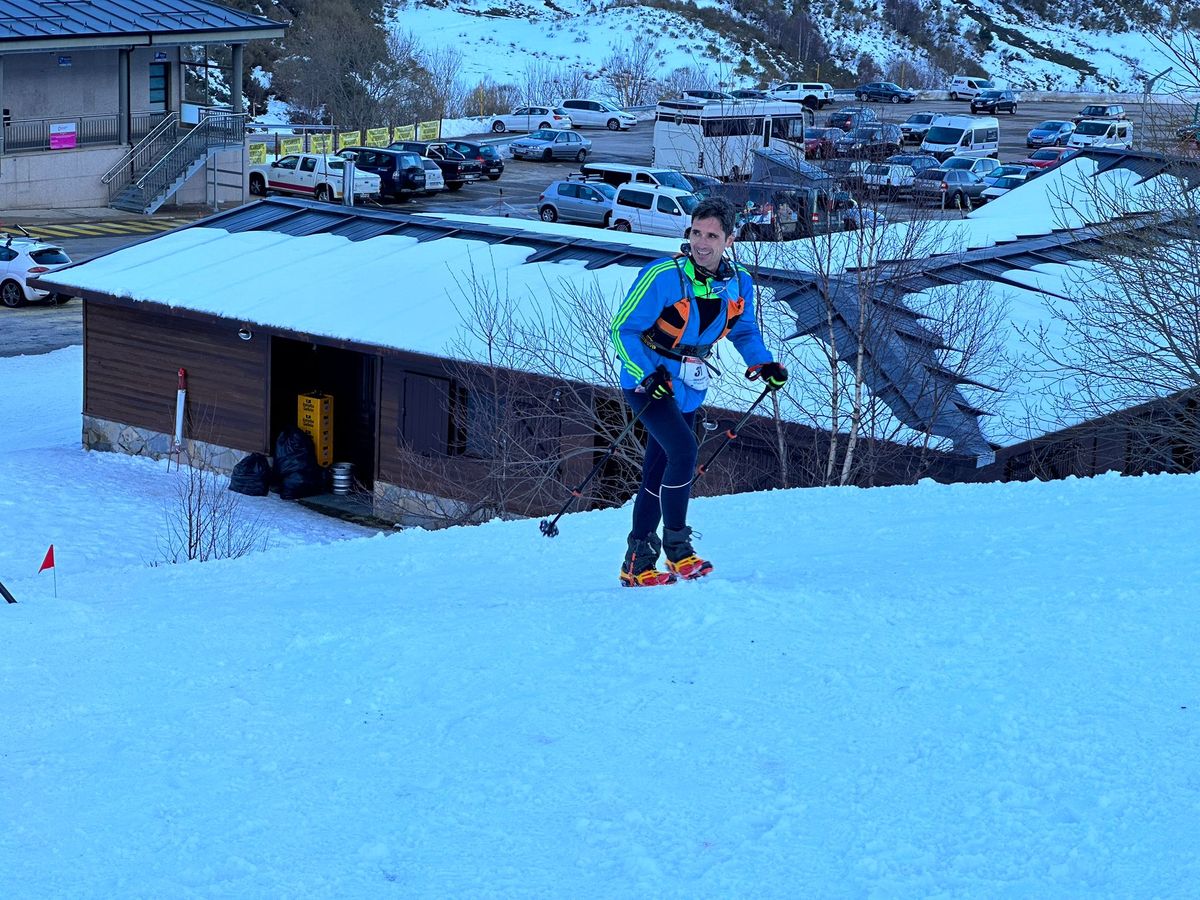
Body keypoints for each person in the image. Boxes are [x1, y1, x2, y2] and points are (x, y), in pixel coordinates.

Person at [610, 196, 788, 587]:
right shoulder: (663, 276)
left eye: (712, 235)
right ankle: (677, 550)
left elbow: (743, 329)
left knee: (657, 471)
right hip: (649, 382)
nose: (701, 243)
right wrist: (646, 372)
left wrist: (763, 362)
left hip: (688, 385)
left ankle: (637, 564)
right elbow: (621, 329)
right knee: (684, 450)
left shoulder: (739, 281)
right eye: (695, 233)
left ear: (729, 239)